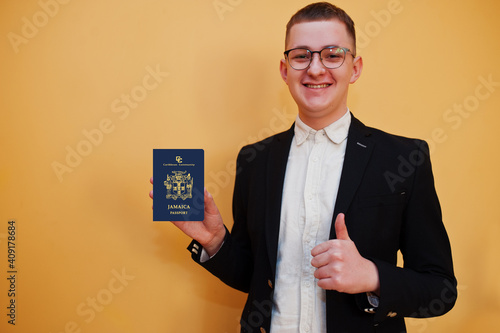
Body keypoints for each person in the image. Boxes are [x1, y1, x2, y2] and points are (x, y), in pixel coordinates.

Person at [150, 2, 457, 332]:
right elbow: (256, 277)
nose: (315, 68)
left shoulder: (404, 158)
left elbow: (440, 289)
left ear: (355, 68)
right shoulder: (254, 160)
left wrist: (372, 276)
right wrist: (214, 242)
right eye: (301, 56)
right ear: (285, 70)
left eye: (333, 54)